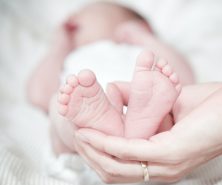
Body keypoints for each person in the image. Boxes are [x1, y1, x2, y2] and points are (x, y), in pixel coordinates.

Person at [27, 2, 194, 153]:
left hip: (154, 153)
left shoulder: (141, 52)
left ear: (138, 25)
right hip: (82, 154)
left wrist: (144, 38)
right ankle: (102, 127)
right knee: (58, 106)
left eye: (86, 12)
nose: (71, 18)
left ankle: (138, 126)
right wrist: (60, 45)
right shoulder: (70, 57)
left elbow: (185, 81)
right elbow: (39, 95)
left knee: (169, 105)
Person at [74, 81, 222, 184]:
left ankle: (120, 129)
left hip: (129, 93)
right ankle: (125, 126)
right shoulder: (74, 52)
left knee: (69, 120)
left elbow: (181, 76)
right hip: (101, 96)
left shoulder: (143, 45)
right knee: (69, 116)